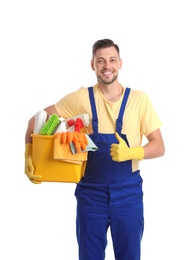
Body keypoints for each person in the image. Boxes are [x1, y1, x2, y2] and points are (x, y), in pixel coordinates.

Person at [25, 39, 165, 260]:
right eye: (101, 61)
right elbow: (35, 122)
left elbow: (159, 145)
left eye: (111, 60)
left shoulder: (140, 100)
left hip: (128, 192)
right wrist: (29, 156)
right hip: (91, 192)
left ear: (120, 63)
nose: (106, 66)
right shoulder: (81, 97)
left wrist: (133, 152)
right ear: (93, 65)